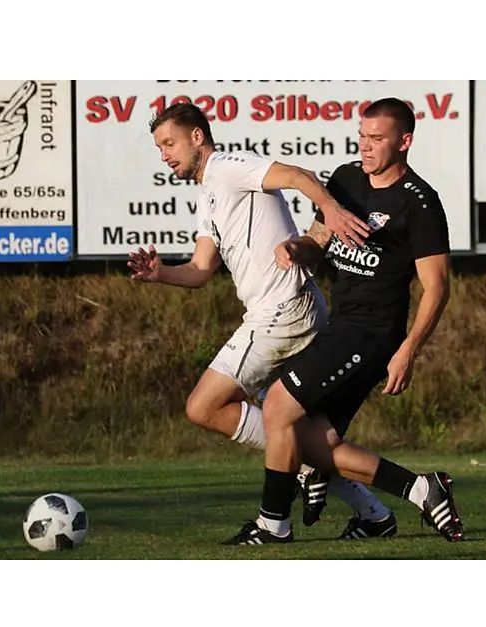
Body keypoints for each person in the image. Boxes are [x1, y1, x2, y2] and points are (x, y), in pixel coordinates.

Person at [127, 102, 397, 539]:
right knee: (295, 430)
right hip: (287, 309)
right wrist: (160, 274)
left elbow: (298, 176)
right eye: (159, 148)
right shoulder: (209, 193)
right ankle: (374, 514)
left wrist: (329, 210)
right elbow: (200, 270)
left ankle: (297, 482)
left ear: (197, 137)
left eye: (169, 143)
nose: (165, 155)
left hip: (281, 311)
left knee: (203, 406)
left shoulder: (227, 167)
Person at [222, 97, 465, 545]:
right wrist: (297, 250)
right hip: (340, 325)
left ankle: (273, 524)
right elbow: (318, 241)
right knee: (316, 442)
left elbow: (437, 287)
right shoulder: (347, 179)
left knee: (278, 406)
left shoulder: (420, 203)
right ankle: (421, 490)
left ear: (404, 142)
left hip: (373, 333)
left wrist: (408, 351)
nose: (365, 146)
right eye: (361, 136)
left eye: (377, 138)